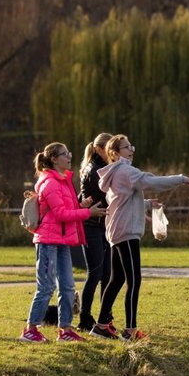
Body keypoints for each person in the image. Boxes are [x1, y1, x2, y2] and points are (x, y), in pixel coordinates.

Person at [95, 135, 189, 340]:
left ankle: (101, 325)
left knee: (117, 279)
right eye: (127, 148)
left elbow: (121, 199)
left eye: (131, 146)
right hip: (126, 232)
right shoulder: (126, 171)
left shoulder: (115, 173)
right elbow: (152, 181)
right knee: (134, 280)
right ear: (115, 153)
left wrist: (145, 204)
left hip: (117, 231)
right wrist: (180, 179)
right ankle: (130, 330)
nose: (132, 150)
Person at [21, 142, 105, 343]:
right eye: (65, 154)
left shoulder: (64, 180)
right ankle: (30, 329)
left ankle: (65, 329)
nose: (69, 157)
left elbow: (67, 207)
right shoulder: (50, 182)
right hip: (48, 241)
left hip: (62, 241)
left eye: (69, 153)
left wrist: (81, 205)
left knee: (67, 286)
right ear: (54, 159)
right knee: (47, 286)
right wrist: (88, 213)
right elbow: (60, 214)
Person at [77, 133, 113, 334]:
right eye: (109, 148)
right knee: (96, 273)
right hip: (91, 226)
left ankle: (104, 318)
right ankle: (85, 317)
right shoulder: (94, 170)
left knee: (106, 275)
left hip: (102, 226)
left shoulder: (101, 168)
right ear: (100, 149)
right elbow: (108, 196)